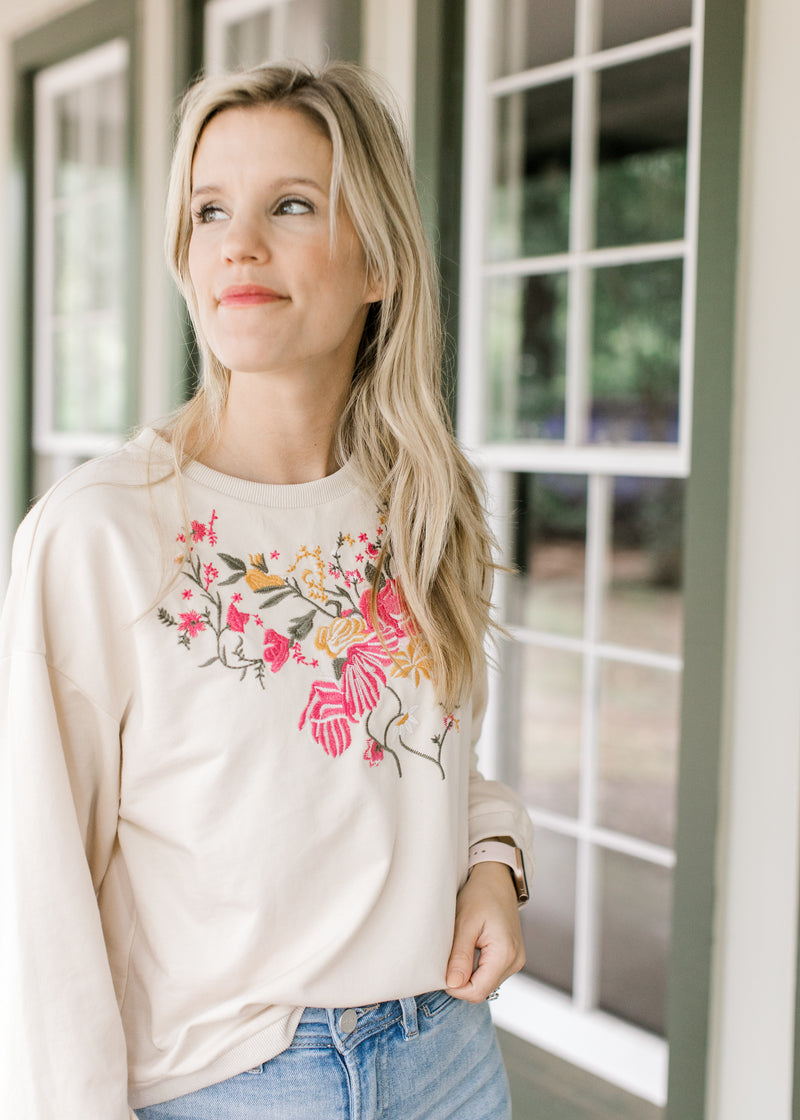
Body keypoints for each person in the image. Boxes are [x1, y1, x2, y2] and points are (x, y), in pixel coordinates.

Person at [0, 61, 533, 1119]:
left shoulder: (426, 503)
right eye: (208, 211)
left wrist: (490, 860)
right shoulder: (105, 531)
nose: (236, 244)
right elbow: (36, 901)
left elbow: (438, 763)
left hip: (449, 1061)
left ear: (378, 260)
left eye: (290, 204)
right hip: (233, 1085)